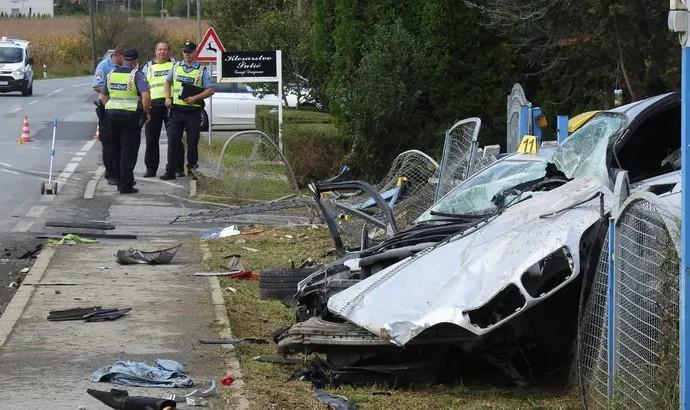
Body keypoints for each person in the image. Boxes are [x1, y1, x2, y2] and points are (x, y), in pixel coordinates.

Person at [160, 41, 214, 180]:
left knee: (192, 143)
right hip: (177, 110)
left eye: (189, 52)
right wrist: (167, 98)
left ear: (194, 53)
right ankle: (170, 171)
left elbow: (210, 89)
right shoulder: (176, 66)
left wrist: (195, 98)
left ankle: (192, 170)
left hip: (193, 112)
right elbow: (167, 82)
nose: (187, 55)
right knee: (173, 142)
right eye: (185, 52)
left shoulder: (202, 70)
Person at [100, 48, 151, 194]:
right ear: (135, 61)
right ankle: (125, 185)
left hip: (111, 116)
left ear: (123, 59)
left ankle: (117, 180)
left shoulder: (111, 75)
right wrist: (146, 112)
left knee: (115, 149)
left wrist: (112, 107)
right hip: (130, 117)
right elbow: (146, 96)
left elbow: (103, 97)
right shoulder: (137, 75)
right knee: (128, 151)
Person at [142, 42, 178, 178]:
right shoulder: (148, 67)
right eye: (160, 49)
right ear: (155, 51)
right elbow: (143, 86)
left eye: (165, 49)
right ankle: (151, 169)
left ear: (169, 51)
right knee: (151, 140)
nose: (162, 52)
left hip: (172, 105)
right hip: (153, 107)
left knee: (174, 139)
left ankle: (175, 168)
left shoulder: (175, 65)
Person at [93, 45, 125, 185]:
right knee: (108, 143)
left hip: (123, 108)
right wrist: (114, 92)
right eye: (123, 58)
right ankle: (110, 173)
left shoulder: (127, 66)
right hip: (107, 108)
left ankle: (119, 171)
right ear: (117, 55)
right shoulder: (104, 66)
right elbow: (96, 85)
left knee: (121, 143)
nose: (125, 61)